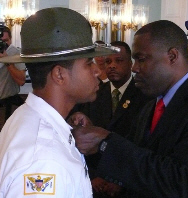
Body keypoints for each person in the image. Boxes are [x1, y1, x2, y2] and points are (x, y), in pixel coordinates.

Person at [70, 20, 188, 197]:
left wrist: (105, 141)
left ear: (172, 56)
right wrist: (94, 139)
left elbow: (187, 182)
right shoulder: (151, 106)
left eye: (141, 59)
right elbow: (137, 159)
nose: (134, 68)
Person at [0, 7, 119, 197]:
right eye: (89, 63)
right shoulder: (44, 160)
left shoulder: (25, 116)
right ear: (59, 74)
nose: (97, 70)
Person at [76, 41, 151, 198]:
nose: (111, 66)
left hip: (129, 182)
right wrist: (92, 175)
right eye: (108, 61)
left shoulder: (144, 96)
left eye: (119, 61)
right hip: (96, 180)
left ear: (130, 64)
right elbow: (84, 138)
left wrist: (120, 179)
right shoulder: (95, 94)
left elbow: (142, 144)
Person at [0, 26, 26, 120]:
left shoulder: (16, 53)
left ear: (10, 39)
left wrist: (7, 60)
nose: (3, 44)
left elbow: (21, 81)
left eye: (5, 41)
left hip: (7, 104)